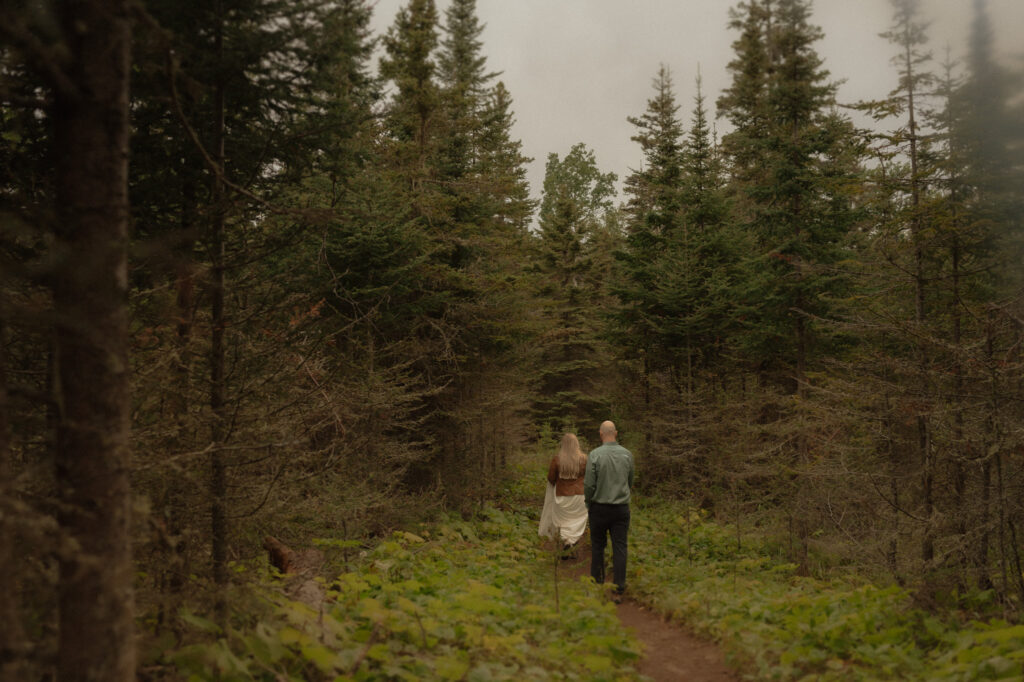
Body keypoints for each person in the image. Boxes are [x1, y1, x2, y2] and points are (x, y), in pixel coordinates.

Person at [584, 420, 634, 600]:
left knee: (598, 547)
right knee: (620, 547)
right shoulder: (627, 455)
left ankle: (597, 587)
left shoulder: (595, 455)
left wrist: (589, 502)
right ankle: (619, 589)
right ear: (616, 432)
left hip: (599, 507)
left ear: (601, 433)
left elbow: (589, 484)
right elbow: (630, 481)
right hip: (621, 508)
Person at [538, 433, 589, 552]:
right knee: (576, 521)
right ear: (577, 444)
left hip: (563, 495)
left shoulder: (557, 459)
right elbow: (589, 476)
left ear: (563, 445)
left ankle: (567, 542)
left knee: (563, 523)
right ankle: (573, 542)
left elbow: (551, 478)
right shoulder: (584, 459)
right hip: (580, 497)